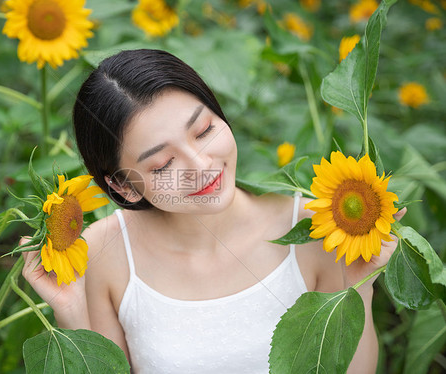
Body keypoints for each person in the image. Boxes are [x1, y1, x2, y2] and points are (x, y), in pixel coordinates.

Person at [21, 49, 403, 373]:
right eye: (163, 164)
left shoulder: (316, 228)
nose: (201, 165)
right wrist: (70, 313)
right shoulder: (104, 252)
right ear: (121, 185)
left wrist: (360, 286)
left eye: (204, 130)